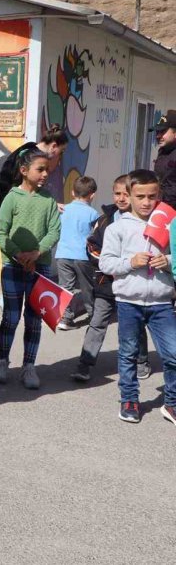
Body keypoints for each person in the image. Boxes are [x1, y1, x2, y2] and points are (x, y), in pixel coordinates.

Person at [98, 169, 176, 426]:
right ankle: (129, 399)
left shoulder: (169, 225)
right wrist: (130, 262)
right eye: (140, 196)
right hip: (128, 301)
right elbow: (106, 263)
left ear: (159, 195)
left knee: (173, 353)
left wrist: (168, 261)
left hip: (161, 302)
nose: (146, 202)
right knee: (129, 353)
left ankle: (172, 403)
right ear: (129, 195)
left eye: (152, 196)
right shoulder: (117, 228)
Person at [0, 150, 61, 390]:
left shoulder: (49, 200)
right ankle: (2, 361)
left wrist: (37, 253)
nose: (45, 174)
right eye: (40, 169)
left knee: (34, 319)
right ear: (23, 170)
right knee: (10, 317)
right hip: (13, 266)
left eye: (47, 169)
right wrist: (18, 254)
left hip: (39, 269)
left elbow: (54, 231)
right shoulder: (11, 198)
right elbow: (0, 232)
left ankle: (29, 366)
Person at [72, 175, 150, 383]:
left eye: (126, 194)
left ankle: (141, 361)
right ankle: (84, 364)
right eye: (117, 193)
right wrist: (109, 264)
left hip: (134, 283)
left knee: (136, 325)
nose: (121, 198)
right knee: (97, 322)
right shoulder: (105, 220)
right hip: (106, 283)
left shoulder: (145, 221)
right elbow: (92, 246)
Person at [0, 125, 68, 225]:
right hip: (10, 214)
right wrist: (50, 205)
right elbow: (24, 190)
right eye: (61, 151)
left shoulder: (30, 151)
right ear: (53, 146)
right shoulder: (31, 156)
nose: (60, 155)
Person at [55, 176, 100, 330]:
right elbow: (95, 235)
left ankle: (65, 319)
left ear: (73, 192)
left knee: (65, 288)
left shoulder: (63, 209)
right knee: (87, 287)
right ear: (92, 195)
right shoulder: (93, 214)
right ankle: (93, 316)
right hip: (83, 256)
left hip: (63, 254)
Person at [153, 111, 176, 209]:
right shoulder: (163, 150)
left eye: (162, 132)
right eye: (157, 132)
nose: (158, 136)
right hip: (163, 206)